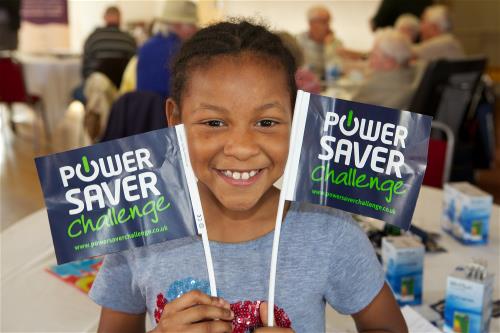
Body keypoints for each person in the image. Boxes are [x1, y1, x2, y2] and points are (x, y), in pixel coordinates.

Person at [89, 20, 408, 333]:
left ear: (297, 120)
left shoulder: (330, 231)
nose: (241, 148)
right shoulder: (138, 225)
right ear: (175, 120)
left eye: (266, 122)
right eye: (213, 123)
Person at [136, 0, 198, 99]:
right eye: (192, 24)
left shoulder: (145, 47)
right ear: (177, 25)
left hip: (144, 113)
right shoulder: (182, 51)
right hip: (168, 112)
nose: (196, 29)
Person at [352, 28, 421, 110]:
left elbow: (348, 115)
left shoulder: (377, 86)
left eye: (374, 56)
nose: (370, 62)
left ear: (389, 62)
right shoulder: (411, 77)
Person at [81, 6, 137, 81]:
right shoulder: (129, 39)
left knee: (76, 92)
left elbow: (85, 67)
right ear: (120, 18)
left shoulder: (93, 38)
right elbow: (134, 67)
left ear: (104, 17)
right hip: (122, 86)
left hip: (96, 84)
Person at [296, 5, 344, 79]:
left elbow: (336, 71)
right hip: (304, 85)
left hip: (328, 86)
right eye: (324, 22)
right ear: (311, 23)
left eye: (329, 21)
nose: (328, 26)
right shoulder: (298, 41)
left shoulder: (335, 43)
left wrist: (328, 47)